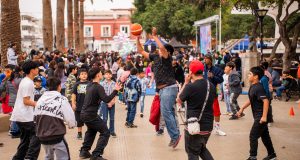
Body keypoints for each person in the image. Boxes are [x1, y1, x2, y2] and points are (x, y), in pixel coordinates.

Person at [137, 27, 181, 148]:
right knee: (169, 112)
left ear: (169, 53)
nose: (160, 50)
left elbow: (162, 48)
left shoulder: (168, 59)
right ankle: (176, 134)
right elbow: (140, 50)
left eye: (164, 50)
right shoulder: (155, 58)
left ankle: (175, 136)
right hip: (162, 90)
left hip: (169, 87)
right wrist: (137, 38)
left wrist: (155, 36)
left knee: (166, 113)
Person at [79, 67, 121, 160]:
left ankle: (84, 152)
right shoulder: (98, 87)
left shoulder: (89, 85)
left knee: (91, 130)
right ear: (98, 75)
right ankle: (96, 155)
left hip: (84, 114)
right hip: (91, 115)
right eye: (101, 73)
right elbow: (106, 99)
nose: (102, 74)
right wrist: (115, 90)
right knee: (105, 132)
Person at [177, 60, 215, 160]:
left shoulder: (190, 87)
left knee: (192, 152)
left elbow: (178, 99)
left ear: (191, 72)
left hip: (194, 126)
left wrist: (185, 82)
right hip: (208, 125)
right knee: (201, 149)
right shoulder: (211, 85)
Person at [237, 66, 277, 160]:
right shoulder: (253, 86)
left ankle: (253, 157)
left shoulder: (259, 87)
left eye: (250, 74)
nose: (248, 75)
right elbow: (252, 99)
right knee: (265, 136)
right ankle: (272, 155)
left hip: (261, 116)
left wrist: (263, 117)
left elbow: (266, 101)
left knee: (253, 136)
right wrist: (242, 108)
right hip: (258, 115)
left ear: (256, 76)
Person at [34, 77, 76, 160]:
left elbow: (35, 117)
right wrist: (72, 125)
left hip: (42, 135)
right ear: (59, 86)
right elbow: (70, 118)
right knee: (63, 157)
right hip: (56, 135)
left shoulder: (40, 100)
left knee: (48, 156)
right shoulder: (62, 99)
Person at [10, 60, 41, 160]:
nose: (38, 70)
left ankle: (18, 158)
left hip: (20, 116)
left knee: (25, 141)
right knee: (37, 134)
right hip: (25, 116)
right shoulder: (28, 83)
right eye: (36, 68)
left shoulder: (26, 81)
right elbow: (26, 101)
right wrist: (39, 104)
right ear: (32, 70)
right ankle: (30, 157)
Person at [203, 54, 226, 136]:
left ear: (210, 59)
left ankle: (217, 128)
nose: (205, 60)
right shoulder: (202, 69)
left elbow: (221, 80)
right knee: (203, 111)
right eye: (204, 58)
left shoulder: (217, 69)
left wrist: (213, 77)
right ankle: (204, 128)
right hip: (202, 93)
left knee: (216, 111)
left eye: (206, 58)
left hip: (213, 93)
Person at [72, 69, 89, 140]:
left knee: (89, 120)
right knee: (79, 120)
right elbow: (73, 94)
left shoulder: (90, 84)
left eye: (85, 74)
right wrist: (73, 103)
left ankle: (89, 133)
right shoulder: (76, 84)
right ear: (79, 76)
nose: (84, 75)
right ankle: (79, 133)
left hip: (87, 106)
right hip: (78, 105)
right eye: (82, 74)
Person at [99, 70, 117, 137]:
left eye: (109, 74)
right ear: (104, 75)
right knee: (105, 118)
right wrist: (107, 102)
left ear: (111, 75)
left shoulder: (114, 83)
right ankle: (104, 131)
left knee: (112, 118)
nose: (108, 75)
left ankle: (112, 131)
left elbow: (115, 93)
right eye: (106, 74)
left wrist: (112, 102)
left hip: (112, 103)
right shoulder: (102, 84)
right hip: (104, 103)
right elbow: (102, 94)